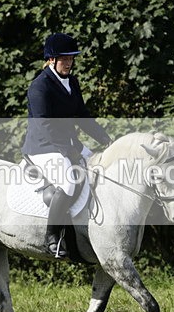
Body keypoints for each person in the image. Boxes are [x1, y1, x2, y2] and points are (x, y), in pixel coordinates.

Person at [21, 32, 112, 258]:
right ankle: (51, 238)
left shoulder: (71, 82)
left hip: (67, 144)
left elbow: (82, 115)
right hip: (42, 148)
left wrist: (107, 140)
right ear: (51, 59)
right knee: (69, 182)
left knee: (98, 171)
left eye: (72, 58)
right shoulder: (39, 87)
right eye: (65, 58)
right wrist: (72, 150)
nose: (70, 63)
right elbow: (45, 126)